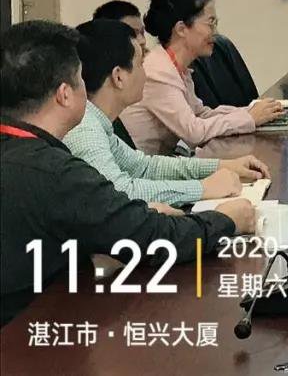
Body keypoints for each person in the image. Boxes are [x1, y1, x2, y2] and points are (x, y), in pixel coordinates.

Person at [0, 21, 255, 326]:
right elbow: (153, 240)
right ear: (64, 95)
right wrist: (226, 220)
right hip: (30, 335)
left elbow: (134, 176)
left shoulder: (25, 152)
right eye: (81, 79)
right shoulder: (55, 172)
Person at [65, 19, 271, 206]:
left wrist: (221, 166)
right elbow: (121, 194)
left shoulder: (97, 121)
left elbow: (145, 167)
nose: (146, 72)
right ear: (118, 77)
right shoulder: (85, 130)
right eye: (140, 64)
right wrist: (202, 189)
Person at [121, 0, 283, 154]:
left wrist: (252, 110)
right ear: (181, 29)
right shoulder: (158, 72)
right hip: (141, 167)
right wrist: (249, 118)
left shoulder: (175, 67)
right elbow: (194, 133)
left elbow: (200, 114)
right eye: (210, 23)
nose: (215, 32)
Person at [91, 0, 146, 148]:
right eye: (140, 65)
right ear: (118, 76)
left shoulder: (107, 121)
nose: (142, 40)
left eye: (142, 32)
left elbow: (139, 161)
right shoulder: (90, 134)